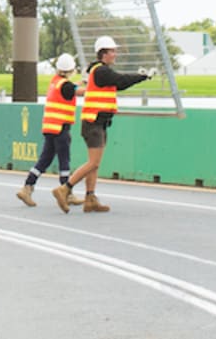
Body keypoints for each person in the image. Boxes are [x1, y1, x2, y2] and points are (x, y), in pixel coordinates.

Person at [52, 36, 149, 214]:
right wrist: (141, 76)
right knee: (93, 162)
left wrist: (139, 77)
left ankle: (90, 198)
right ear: (104, 53)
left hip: (99, 122)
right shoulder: (101, 71)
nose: (115, 54)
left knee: (95, 164)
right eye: (113, 51)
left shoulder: (101, 72)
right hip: (93, 122)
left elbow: (118, 85)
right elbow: (121, 80)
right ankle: (65, 189)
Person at [16, 53, 85, 208]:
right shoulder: (66, 86)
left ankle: (27, 187)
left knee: (45, 160)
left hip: (50, 128)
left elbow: (71, 87)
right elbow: (77, 91)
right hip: (61, 128)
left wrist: (81, 81)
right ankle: (67, 192)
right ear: (71, 69)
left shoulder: (55, 82)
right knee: (64, 161)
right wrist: (91, 86)